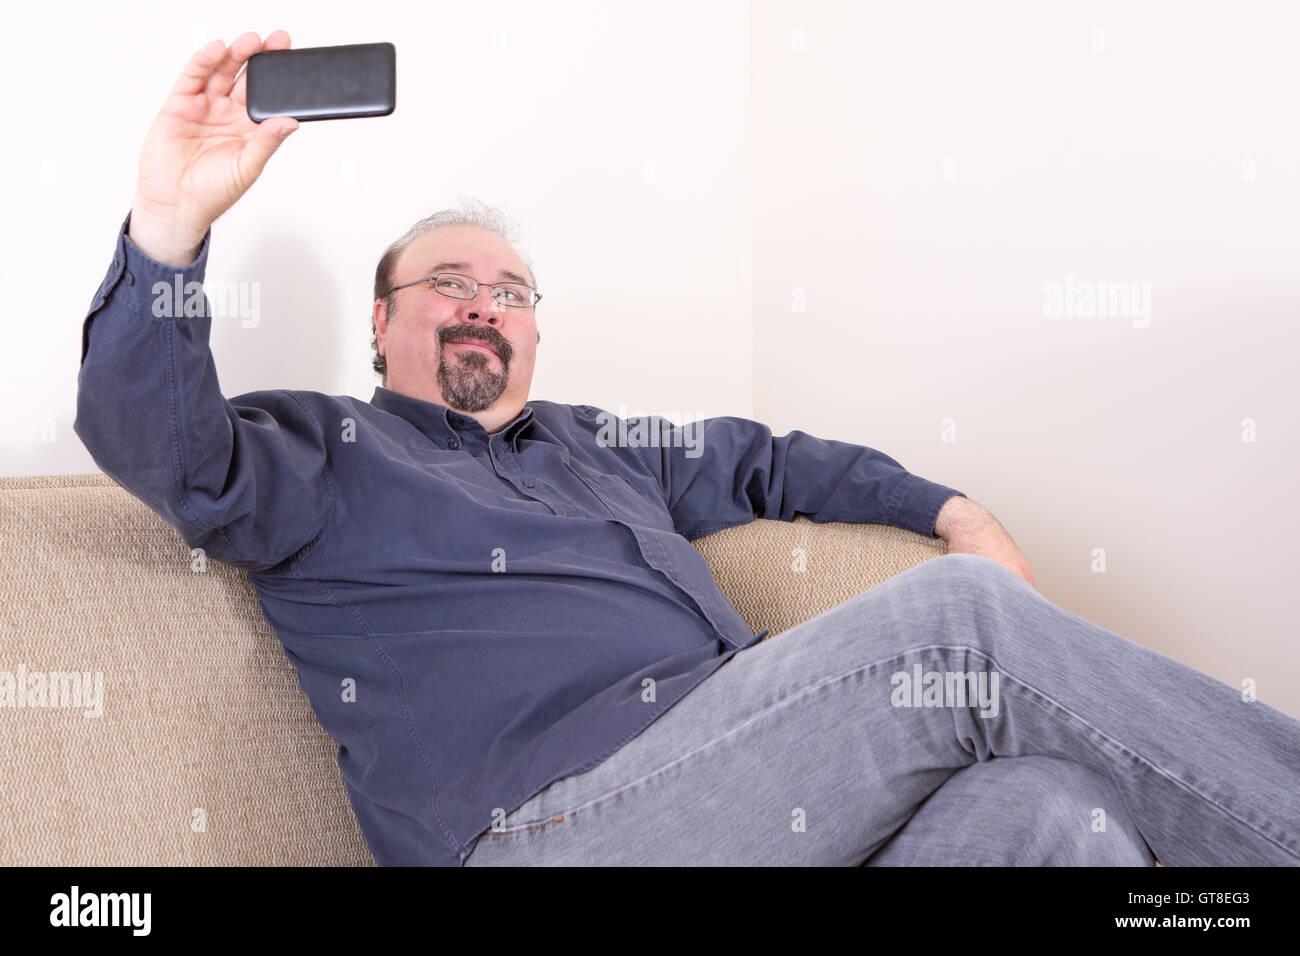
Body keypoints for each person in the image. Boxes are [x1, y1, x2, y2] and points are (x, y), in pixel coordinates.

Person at [74, 32, 1300, 868]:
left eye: (510, 289)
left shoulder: (608, 446)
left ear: (537, 330)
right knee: (959, 626)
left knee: (1057, 816)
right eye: (447, 281)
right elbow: (167, 450)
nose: (483, 303)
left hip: (741, 782)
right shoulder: (322, 447)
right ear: (382, 323)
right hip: (548, 826)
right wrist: (170, 227)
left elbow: (776, 459)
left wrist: (956, 507)